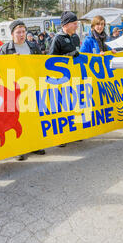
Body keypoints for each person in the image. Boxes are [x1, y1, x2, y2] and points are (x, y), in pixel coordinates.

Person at [0, 20, 45, 160]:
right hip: (13, 89)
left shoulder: (33, 46)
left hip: (31, 86)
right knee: (17, 119)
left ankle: (35, 144)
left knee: (33, 117)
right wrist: (9, 61)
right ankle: (19, 149)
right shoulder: (5, 49)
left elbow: (40, 63)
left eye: (23, 31)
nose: (22, 34)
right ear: (12, 34)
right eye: (18, 32)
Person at [48, 11, 81, 148]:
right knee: (62, 108)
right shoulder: (58, 39)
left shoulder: (75, 37)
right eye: (74, 23)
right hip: (61, 79)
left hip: (75, 77)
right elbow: (51, 60)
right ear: (66, 25)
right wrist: (68, 56)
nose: (76, 26)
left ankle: (75, 132)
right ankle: (61, 137)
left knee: (74, 105)